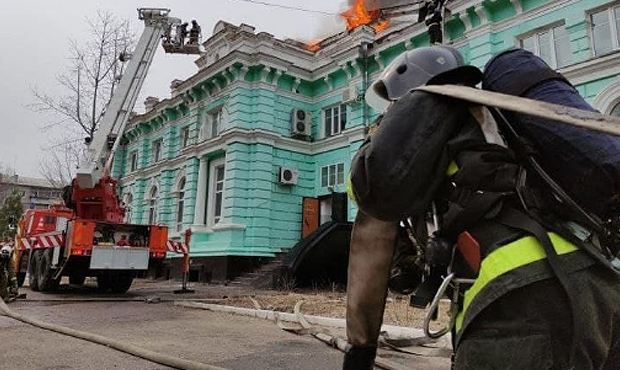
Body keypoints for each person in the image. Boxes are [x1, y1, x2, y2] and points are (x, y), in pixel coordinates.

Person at [343, 45, 620, 369]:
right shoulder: (503, 121)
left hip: (518, 300)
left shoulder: (414, 136)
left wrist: (360, 351)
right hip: (599, 286)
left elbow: (371, 223)